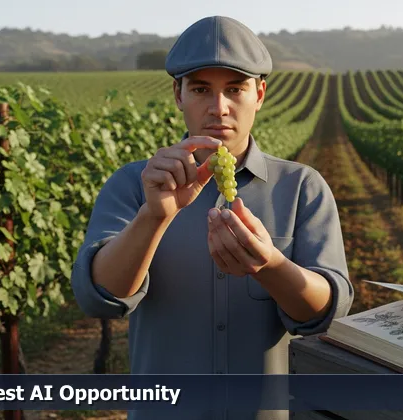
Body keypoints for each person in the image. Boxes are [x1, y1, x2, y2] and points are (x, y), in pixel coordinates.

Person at [70, 15, 354, 420]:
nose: (219, 108)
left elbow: (326, 312)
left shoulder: (301, 187)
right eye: (201, 89)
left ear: (259, 94)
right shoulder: (133, 185)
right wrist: (153, 217)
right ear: (178, 94)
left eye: (235, 89)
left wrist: (271, 266)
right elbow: (98, 297)